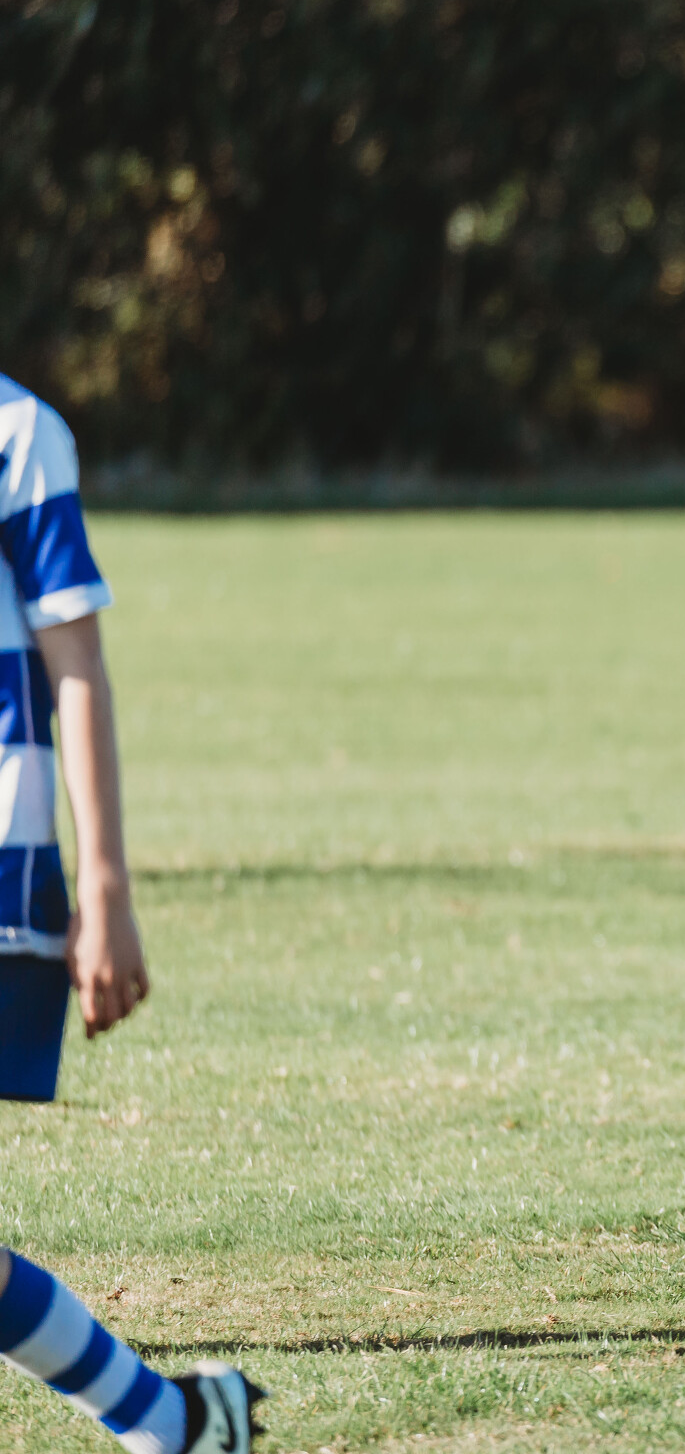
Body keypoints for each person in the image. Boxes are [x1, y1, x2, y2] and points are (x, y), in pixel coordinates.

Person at [0, 375, 266, 1453]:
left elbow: (77, 667)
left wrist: (103, 888)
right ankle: (173, 1421)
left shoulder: (18, 433)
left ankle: (171, 1420)